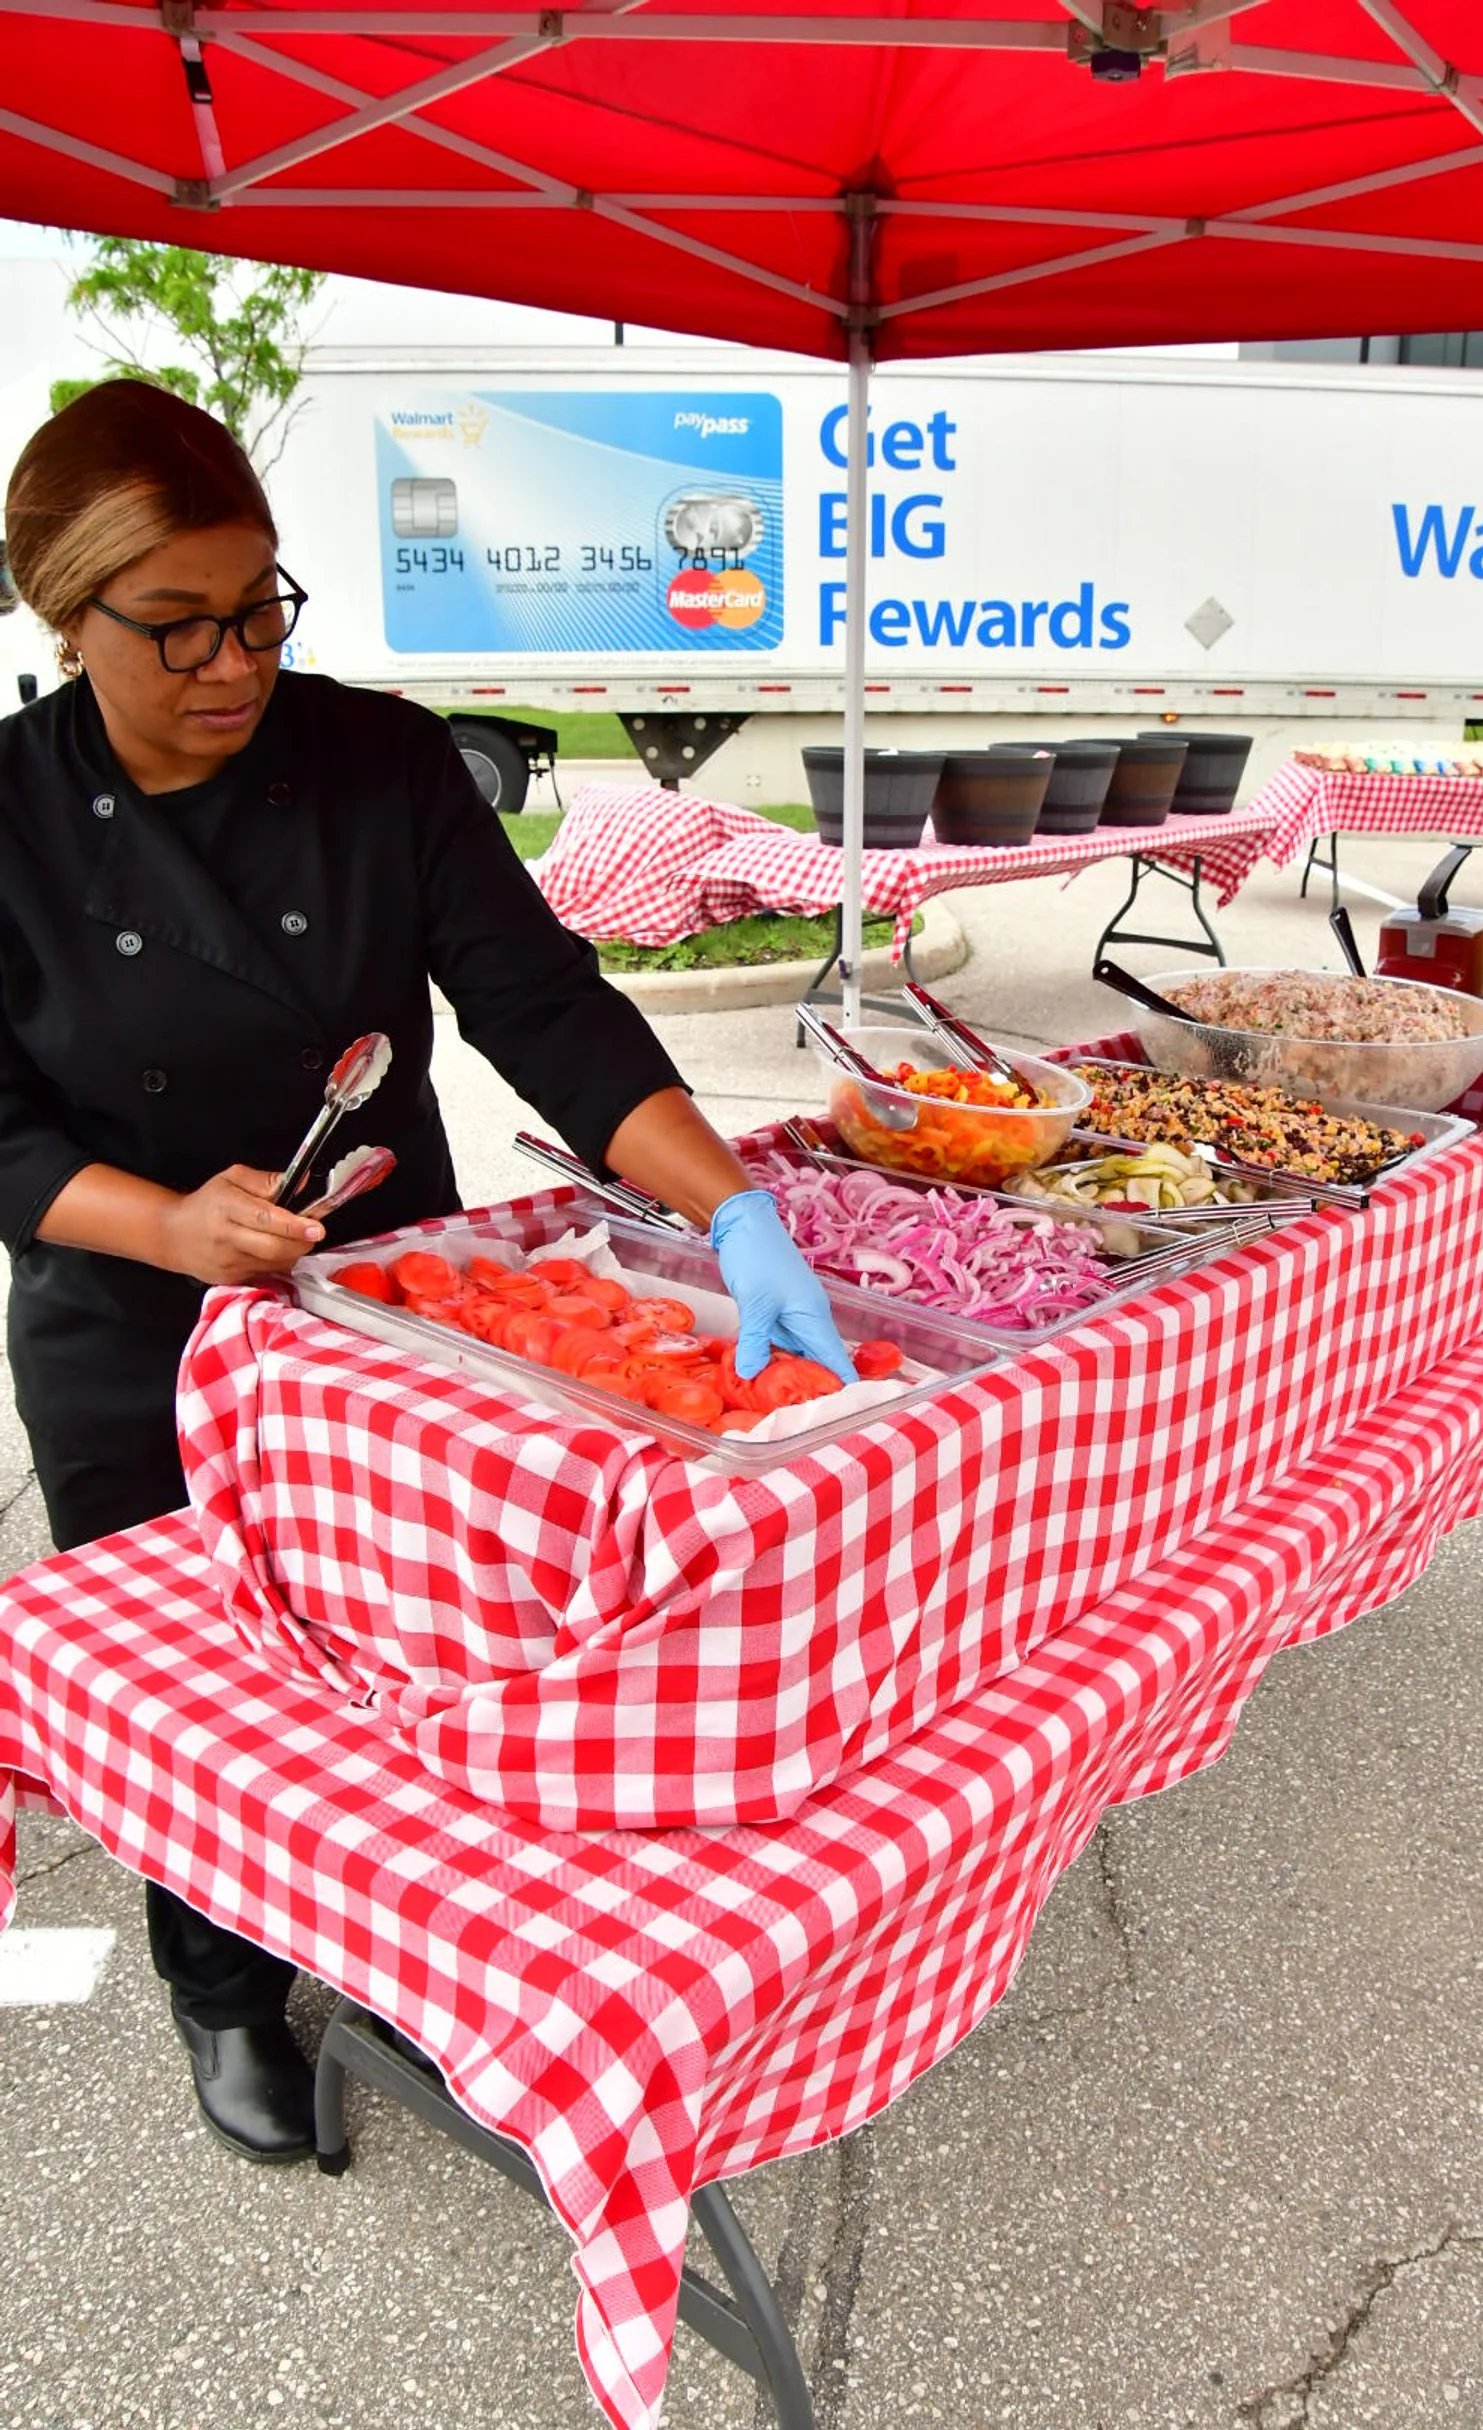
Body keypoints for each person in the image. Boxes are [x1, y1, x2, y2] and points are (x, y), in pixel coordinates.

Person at [0, 379, 854, 2166]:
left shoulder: (381, 760)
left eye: (261, 608)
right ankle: (221, 1986)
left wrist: (726, 1205)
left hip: (385, 1311)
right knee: (210, 1699)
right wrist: (165, 1222)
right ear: (59, 615)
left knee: (406, 1662)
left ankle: (401, 1968)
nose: (234, 661)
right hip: (127, 1316)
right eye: (177, 630)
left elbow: (539, 1001)